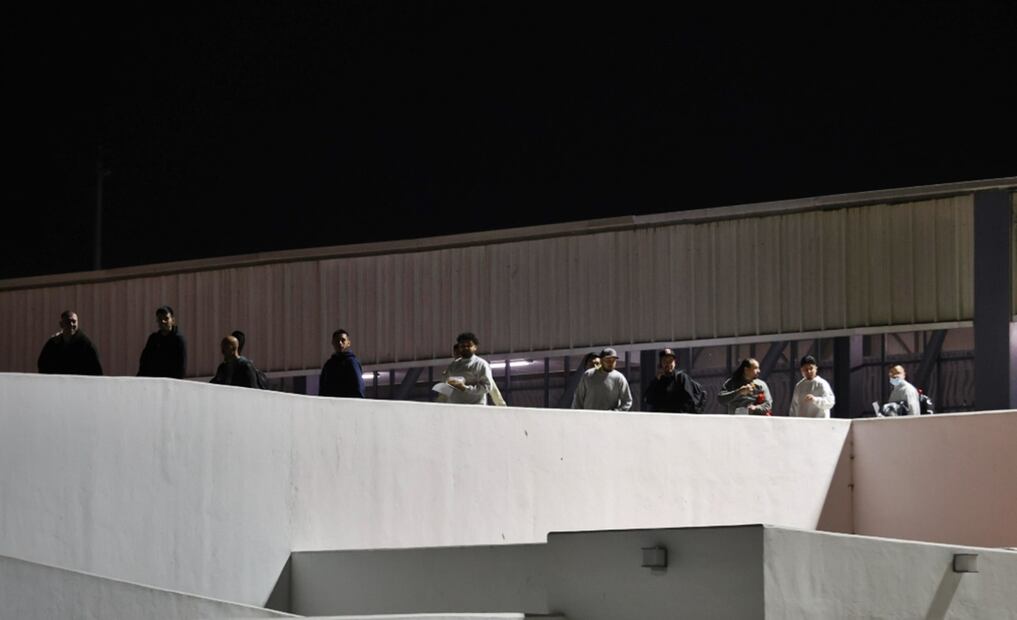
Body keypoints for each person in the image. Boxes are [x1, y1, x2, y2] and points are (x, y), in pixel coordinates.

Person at [37, 310, 103, 375]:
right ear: (61, 324)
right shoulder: (53, 343)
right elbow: (43, 364)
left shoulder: (86, 345)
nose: (71, 324)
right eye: (68, 321)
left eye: (74, 321)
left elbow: (96, 370)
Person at [642, 348, 705, 413]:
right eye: (665, 361)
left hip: (678, 418)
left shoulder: (681, 378)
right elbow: (647, 399)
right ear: (661, 364)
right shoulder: (658, 380)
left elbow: (691, 400)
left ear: (675, 363)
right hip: (661, 419)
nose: (668, 364)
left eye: (670, 361)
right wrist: (656, 380)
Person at [444, 332, 495, 405]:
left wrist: (465, 388)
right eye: (462, 346)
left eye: (469, 345)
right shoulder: (453, 365)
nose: (465, 348)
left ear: (475, 347)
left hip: (475, 407)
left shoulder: (481, 364)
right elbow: (447, 385)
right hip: (455, 407)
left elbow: (487, 387)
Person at [137, 305, 187, 378]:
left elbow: (181, 367)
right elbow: (144, 361)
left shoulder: (178, 340)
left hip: (169, 383)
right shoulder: (153, 339)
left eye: (166, 318)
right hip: (153, 381)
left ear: (172, 320)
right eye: (160, 319)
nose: (163, 321)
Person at [319, 329, 366, 397]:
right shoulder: (328, 365)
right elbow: (323, 388)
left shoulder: (352, 362)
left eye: (343, 340)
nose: (340, 343)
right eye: (337, 341)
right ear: (333, 343)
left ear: (348, 343)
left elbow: (358, 385)